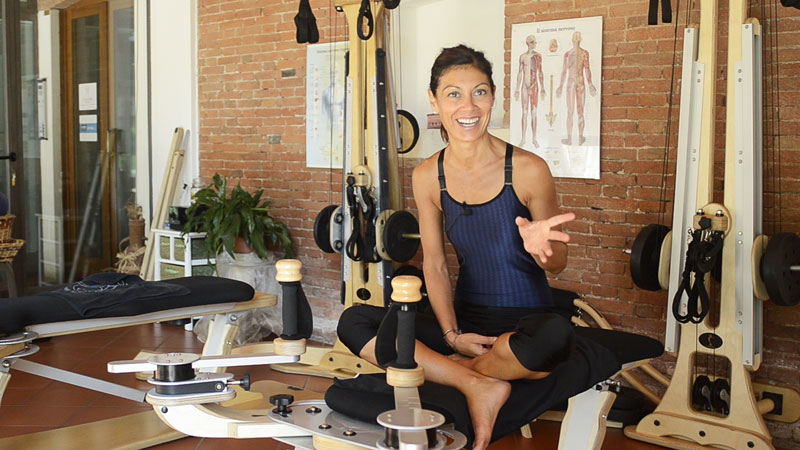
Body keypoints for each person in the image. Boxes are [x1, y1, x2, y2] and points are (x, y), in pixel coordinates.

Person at [337, 44, 575, 450]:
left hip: (525, 326)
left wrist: (543, 251)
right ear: (434, 101)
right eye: (453, 94)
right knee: (354, 320)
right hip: (465, 323)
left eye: (479, 92)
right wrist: (451, 336)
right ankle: (476, 380)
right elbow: (435, 264)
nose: (468, 106)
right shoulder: (428, 175)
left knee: (555, 336)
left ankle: (455, 370)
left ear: (493, 97)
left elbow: (558, 267)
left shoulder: (529, 169)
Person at [556, 31, 597, 146]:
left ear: (572, 40)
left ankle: (571, 138)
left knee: (571, 112)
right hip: (579, 83)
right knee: (579, 112)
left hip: (571, 83)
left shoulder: (568, 54)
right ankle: (579, 137)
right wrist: (590, 84)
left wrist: (560, 86)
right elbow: (587, 69)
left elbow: (564, 72)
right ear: (580, 40)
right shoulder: (583, 53)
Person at [514, 35, 546, 148]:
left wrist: (542, 87)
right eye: (532, 42)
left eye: (534, 42)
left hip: (534, 86)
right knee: (524, 112)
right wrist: (517, 89)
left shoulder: (538, 56)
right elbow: (520, 72)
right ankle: (523, 139)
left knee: (534, 113)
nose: (534, 44)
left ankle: (534, 138)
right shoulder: (522, 57)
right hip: (524, 86)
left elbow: (540, 72)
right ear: (528, 43)